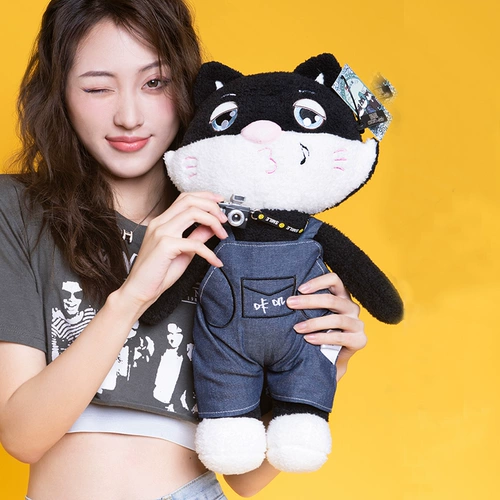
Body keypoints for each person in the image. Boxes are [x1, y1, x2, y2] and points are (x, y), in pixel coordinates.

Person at [0, 0, 368, 498]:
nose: (129, 116)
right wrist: (133, 296)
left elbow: (245, 477)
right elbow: (22, 437)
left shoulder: (237, 236)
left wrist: (327, 357)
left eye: (154, 83)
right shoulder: (18, 209)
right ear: (59, 93)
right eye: (97, 87)